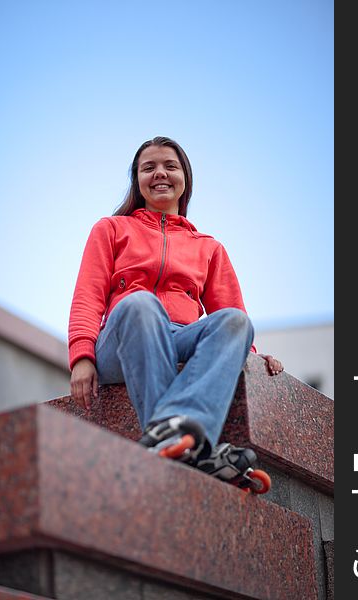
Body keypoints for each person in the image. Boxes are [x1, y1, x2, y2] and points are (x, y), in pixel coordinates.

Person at [68, 136, 283, 487]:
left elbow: (229, 314)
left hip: (179, 338)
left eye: (170, 166)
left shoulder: (209, 248)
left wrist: (252, 357)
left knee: (237, 321)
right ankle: (179, 438)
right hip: (120, 342)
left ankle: (180, 441)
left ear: (185, 177)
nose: (159, 174)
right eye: (148, 168)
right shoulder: (111, 229)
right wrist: (81, 355)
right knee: (139, 303)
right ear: (137, 181)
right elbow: (87, 295)